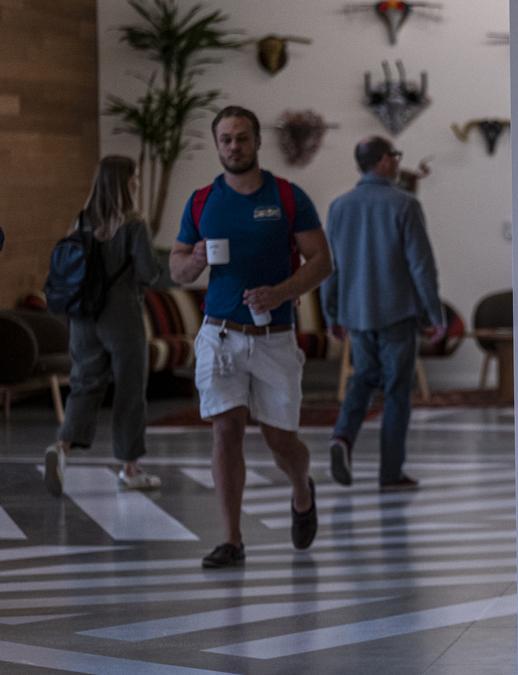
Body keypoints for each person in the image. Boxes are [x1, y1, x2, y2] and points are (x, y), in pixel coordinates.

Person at [169, 106, 332, 569]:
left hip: (274, 336)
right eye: (225, 139)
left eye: (241, 138)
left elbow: (321, 261)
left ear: (257, 142)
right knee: (226, 431)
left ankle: (302, 488)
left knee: (281, 441)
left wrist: (281, 292)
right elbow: (177, 267)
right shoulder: (202, 201)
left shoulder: (287, 196)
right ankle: (231, 540)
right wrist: (195, 260)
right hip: (219, 335)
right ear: (217, 145)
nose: (234, 147)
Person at [322, 136, 444, 491]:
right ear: (381, 161)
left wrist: (331, 313)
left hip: (355, 313)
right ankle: (391, 472)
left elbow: (332, 266)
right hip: (396, 313)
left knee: (363, 376)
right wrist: (434, 314)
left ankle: (342, 437)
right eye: (395, 155)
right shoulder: (404, 204)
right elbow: (420, 264)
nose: (397, 162)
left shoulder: (339, 207)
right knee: (396, 390)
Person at [44, 155, 163, 497]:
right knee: (130, 391)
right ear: (126, 182)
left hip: (82, 318)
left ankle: (62, 447)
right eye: (134, 178)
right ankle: (130, 467)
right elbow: (147, 273)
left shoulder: (80, 221)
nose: (137, 183)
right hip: (122, 317)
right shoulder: (133, 224)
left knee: (84, 384)